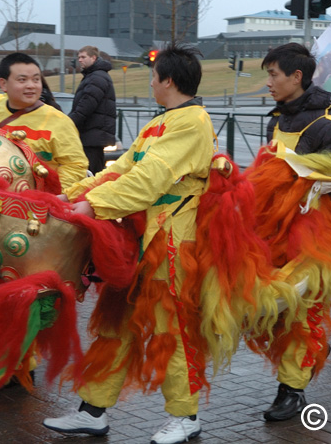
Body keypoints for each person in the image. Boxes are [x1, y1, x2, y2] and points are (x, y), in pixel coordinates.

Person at [42, 44, 216, 443]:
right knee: (116, 325)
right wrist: (71, 196)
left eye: (154, 76)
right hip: (141, 240)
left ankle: (186, 417)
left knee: (170, 329)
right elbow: (120, 169)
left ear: (168, 80)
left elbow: (147, 181)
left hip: (171, 243)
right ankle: (93, 410)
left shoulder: (192, 122)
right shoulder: (163, 122)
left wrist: (91, 206)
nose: (151, 82)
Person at [261, 42, 331, 421]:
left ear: (296, 77)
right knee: (274, 312)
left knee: (304, 314)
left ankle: (292, 391)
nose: (268, 82)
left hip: (316, 237)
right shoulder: (278, 118)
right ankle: (310, 357)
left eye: (273, 74)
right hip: (276, 233)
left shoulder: (328, 124)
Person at [0, 52, 88, 192]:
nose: (31, 86)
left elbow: (75, 165)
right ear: (3, 84)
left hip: (38, 205)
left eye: (36, 80)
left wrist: (50, 196)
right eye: (22, 80)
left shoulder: (59, 121)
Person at [69, 45, 117, 174]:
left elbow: (86, 106)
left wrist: (67, 123)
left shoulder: (97, 77)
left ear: (93, 58)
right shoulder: (94, 76)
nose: (80, 60)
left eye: (83, 57)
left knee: (90, 175)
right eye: (79, 57)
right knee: (93, 174)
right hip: (93, 135)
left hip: (92, 136)